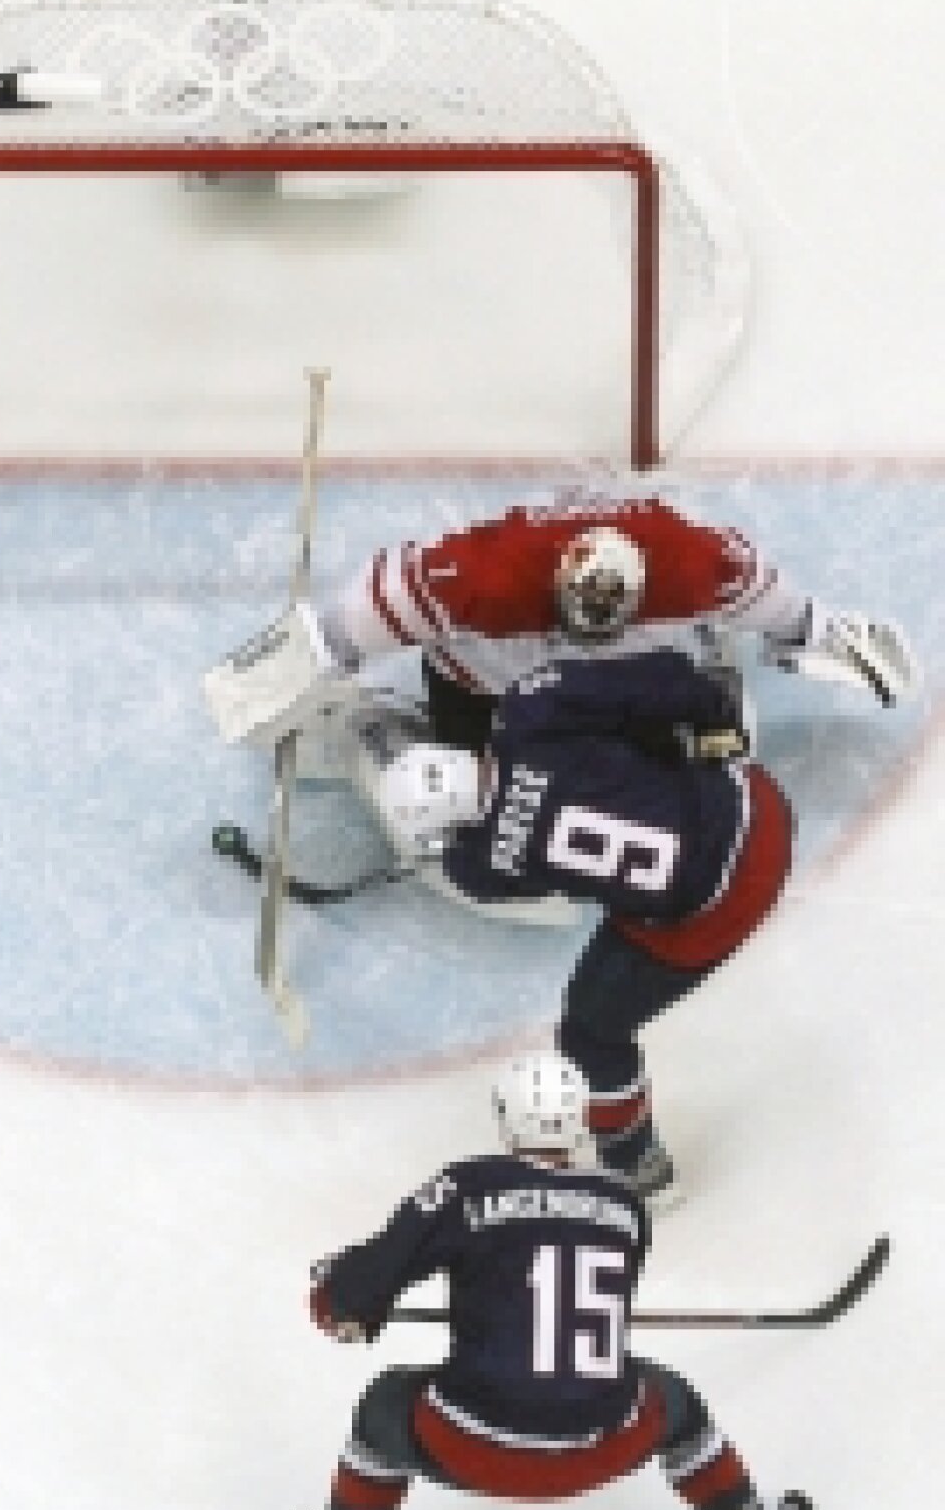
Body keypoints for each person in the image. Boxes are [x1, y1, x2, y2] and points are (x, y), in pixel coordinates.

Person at [283, 1049, 815, 1510]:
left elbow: (354, 1297)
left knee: (385, 1403)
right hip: (606, 1447)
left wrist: (337, 1296)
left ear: (507, 1119)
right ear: (581, 1120)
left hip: (473, 1446)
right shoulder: (627, 1206)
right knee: (676, 1403)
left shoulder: (467, 1187)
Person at [375, 646, 794, 1204]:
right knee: (628, 732)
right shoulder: (530, 710)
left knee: (591, 1033)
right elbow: (661, 676)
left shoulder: (484, 870)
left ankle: (639, 1167)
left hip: (715, 912)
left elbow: (471, 857)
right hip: (758, 809)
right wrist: (715, 722)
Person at [315, 493, 918, 751]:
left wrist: (822, 637)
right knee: (458, 789)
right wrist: (311, 663)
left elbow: (795, 618)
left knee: (709, 746)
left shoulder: (693, 566)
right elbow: (355, 619)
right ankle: (387, 733)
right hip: (488, 685)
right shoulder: (482, 578)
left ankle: (706, 666)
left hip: (617, 683)